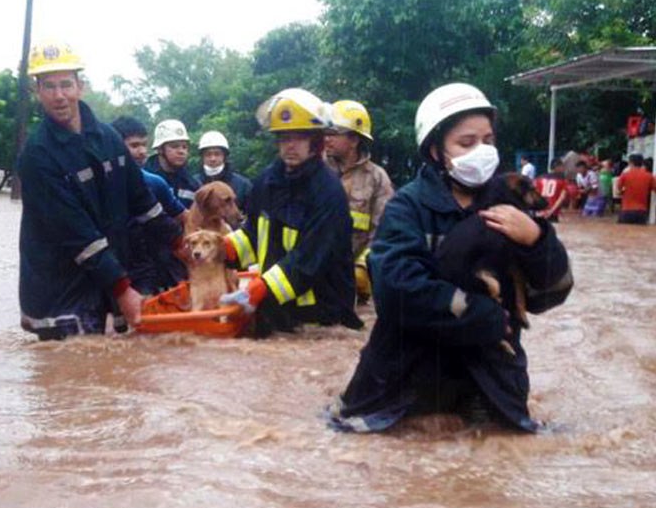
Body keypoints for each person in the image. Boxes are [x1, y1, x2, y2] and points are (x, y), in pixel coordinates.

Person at [326, 83, 572, 433]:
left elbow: (551, 293)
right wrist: (476, 312)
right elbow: (395, 291)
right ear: (436, 150)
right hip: (403, 388)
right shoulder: (408, 208)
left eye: (488, 140)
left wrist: (536, 241)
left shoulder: (514, 206)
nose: (482, 151)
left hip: (491, 388)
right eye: (466, 142)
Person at [18, 42, 161, 340]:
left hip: (101, 279)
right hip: (60, 290)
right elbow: (78, 234)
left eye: (66, 85)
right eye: (49, 86)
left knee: (113, 376)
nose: (59, 96)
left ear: (80, 86)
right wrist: (123, 289)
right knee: (73, 376)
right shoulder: (37, 155)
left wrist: (180, 244)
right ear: (37, 92)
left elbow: (143, 203)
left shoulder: (108, 138)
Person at [220, 88, 363, 336]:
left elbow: (309, 260)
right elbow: (253, 233)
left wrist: (261, 289)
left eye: (299, 137)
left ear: (316, 142)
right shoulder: (266, 181)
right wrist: (222, 249)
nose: (290, 146)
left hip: (321, 318)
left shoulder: (329, 192)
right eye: (284, 138)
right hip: (276, 309)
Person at [325, 100, 395, 303]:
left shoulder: (377, 178)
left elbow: (383, 231)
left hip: (357, 283)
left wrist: (363, 267)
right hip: (316, 275)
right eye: (325, 133)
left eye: (334, 133)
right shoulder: (316, 171)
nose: (327, 139)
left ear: (354, 139)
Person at [111, 116, 189, 294]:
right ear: (114, 145)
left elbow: (185, 217)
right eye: (134, 145)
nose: (142, 151)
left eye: (144, 145)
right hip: (114, 271)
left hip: (154, 272)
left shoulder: (155, 183)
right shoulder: (97, 185)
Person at [143, 119, 201, 209]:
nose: (181, 151)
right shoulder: (144, 178)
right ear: (160, 149)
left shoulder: (192, 184)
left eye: (184, 147)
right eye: (175, 146)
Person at [195, 130, 252, 216]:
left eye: (217, 154)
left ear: (224, 156)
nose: (213, 158)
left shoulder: (243, 185)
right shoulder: (192, 183)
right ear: (202, 157)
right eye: (208, 154)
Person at [617, 153, 656, 225]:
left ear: (630, 163)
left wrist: (622, 192)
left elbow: (618, 189)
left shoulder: (624, 175)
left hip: (626, 211)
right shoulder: (649, 176)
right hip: (641, 212)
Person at [534, 158, 568, 222]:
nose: (563, 169)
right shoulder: (561, 180)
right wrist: (551, 211)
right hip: (552, 213)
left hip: (540, 212)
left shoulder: (540, 178)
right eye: (562, 166)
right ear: (557, 167)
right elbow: (562, 197)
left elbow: (535, 195)